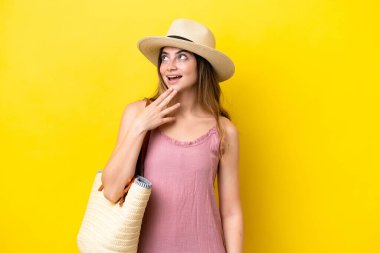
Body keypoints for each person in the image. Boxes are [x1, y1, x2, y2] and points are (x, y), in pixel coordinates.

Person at [101, 18, 243, 253]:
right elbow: (112, 190)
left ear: (203, 65)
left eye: (182, 57)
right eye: (164, 57)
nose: (169, 66)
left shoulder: (223, 130)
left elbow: (231, 212)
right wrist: (140, 127)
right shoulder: (138, 113)